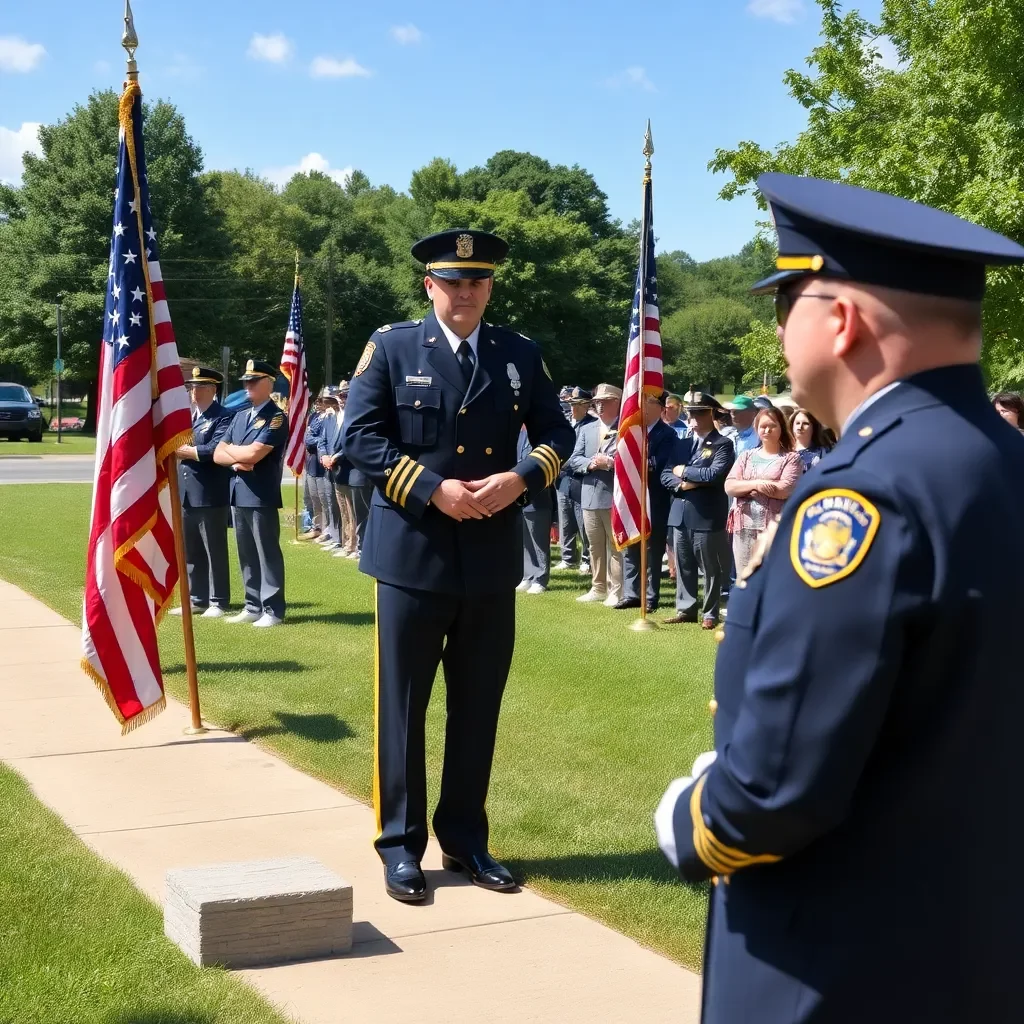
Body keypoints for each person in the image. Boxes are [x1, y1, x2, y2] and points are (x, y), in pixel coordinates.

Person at [654, 172, 1024, 1024]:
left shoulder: (865, 496)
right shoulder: (1001, 466)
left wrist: (689, 815)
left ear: (842, 319)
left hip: (833, 970)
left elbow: (777, 793)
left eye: (787, 302)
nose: (780, 332)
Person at [342, 228, 575, 903]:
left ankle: (468, 839)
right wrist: (430, 488)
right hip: (413, 555)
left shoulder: (518, 353)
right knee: (405, 708)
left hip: (491, 559)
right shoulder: (390, 348)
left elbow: (556, 432)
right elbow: (359, 436)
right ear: (429, 286)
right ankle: (400, 845)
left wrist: (524, 476)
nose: (465, 291)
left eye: (477, 280)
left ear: (490, 286)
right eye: (452, 280)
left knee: (478, 709)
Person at [214, 359, 289, 627]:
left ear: (268, 383)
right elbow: (217, 453)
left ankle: (273, 609)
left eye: (253, 381)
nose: (247, 385)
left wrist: (237, 453)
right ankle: (252, 604)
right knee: (246, 552)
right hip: (239, 490)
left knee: (266, 551)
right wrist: (239, 458)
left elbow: (255, 453)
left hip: (261, 493)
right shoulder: (241, 416)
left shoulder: (277, 417)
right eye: (246, 381)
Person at [661, 390, 735, 628]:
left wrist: (682, 472)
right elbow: (665, 473)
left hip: (706, 514)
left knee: (710, 567)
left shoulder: (723, 444)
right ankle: (686, 609)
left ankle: (710, 613)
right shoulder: (682, 444)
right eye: (690, 413)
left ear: (710, 414)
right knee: (684, 565)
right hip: (681, 512)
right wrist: (684, 483)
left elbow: (713, 474)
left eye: (699, 414)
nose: (693, 419)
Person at [173, 366, 232, 617]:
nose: (192, 392)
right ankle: (197, 598)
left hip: (210, 492)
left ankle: (218, 599)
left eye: (197, 387)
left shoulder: (224, 416)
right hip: (187, 492)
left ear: (212, 389)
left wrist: (185, 451)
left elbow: (214, 450)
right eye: (191, 387)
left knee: (214, 548)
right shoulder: (192, 417)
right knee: (192, 549)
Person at [725, 406, 803, 579]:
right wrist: (758, 485)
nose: (767, 430)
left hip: (773, 529)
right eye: (763, 426)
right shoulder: (746, 456)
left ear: (781, 427)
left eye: (772, 426)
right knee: (744, 577)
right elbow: (730, 486)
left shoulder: (791, 458)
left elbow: (784, 489)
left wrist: (746, 488)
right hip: (744, 528)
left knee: (770, 578)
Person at [617, 391, 677, 612]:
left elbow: (660, 465)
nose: (641, 404)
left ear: (659, 407)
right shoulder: (632, 431)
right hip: (632, 496)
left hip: (655, 498)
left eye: (647, 401)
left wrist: (637, 462)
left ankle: (650, 596)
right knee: (631, 546)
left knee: (652, 551)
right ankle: (631, 593)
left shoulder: (668, 434)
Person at [568, 382, 624, 607]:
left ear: (617, 403)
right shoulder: (587, 428)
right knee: (594, 545)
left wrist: (610, 463)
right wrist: (592, 464)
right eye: (597, 402)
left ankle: (616, 589)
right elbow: (574, 458)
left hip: (614, 496)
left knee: (615, 545)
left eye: (605, 402)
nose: (599, 406)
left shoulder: (626, 427)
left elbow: (632, 460)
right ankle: (598, 586)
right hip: (589, 494)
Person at [553, 387, 594, 573]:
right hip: (563, 478)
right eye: (571, 405)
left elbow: (584, 454)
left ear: (586, 406)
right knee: (565, 520)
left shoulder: (592, 425)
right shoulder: (566, 423)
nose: (573, 409)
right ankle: (568, 557)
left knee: (583, 522)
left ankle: (587, 558)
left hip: (581, 478)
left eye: (577, 405)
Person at [517, 424, 554, 593]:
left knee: (538, 540)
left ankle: (540, 577)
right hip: (519, 497)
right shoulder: (520, 434)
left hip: (537, 496)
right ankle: (528, 575)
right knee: (525, 541)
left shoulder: (539, 436)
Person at [300, 392, 328, 540]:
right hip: (311, 462)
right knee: (313, 497)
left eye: (321, 401)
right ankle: (317, 526)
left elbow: (321, 440)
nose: (318, 404)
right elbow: (307, 438)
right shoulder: (314, 417)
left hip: (321, 463)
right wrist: (314, 440)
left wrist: (314, 440)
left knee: (324, 498)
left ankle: (327, 529)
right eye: (317, 401)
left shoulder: (328, 419)